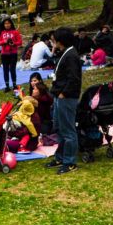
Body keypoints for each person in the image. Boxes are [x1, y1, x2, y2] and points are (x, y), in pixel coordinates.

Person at [47, 27, 82, 174]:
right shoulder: (65, 53)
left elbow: (74, 78)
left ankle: (70, 161)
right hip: (58, 95)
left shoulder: (71, 55)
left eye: (54, 40)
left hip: (66, 97)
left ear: (60, 41)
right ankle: (60, 157)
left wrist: (64, 93)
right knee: (60, 128)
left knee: (68, 130)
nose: (52, 43)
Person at [0, 18, 23, 92]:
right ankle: (7, 86)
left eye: (8, 23)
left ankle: (14, 85)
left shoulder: (15, 32)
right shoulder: (1, 33)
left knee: (12, 70)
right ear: (3, 25)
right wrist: (4, 41)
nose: (7, 25)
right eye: (5, 23)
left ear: (11, 24)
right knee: (5, 70)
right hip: (4, 54)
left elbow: (20, 42)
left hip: (13, 53)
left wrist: (14, 43)